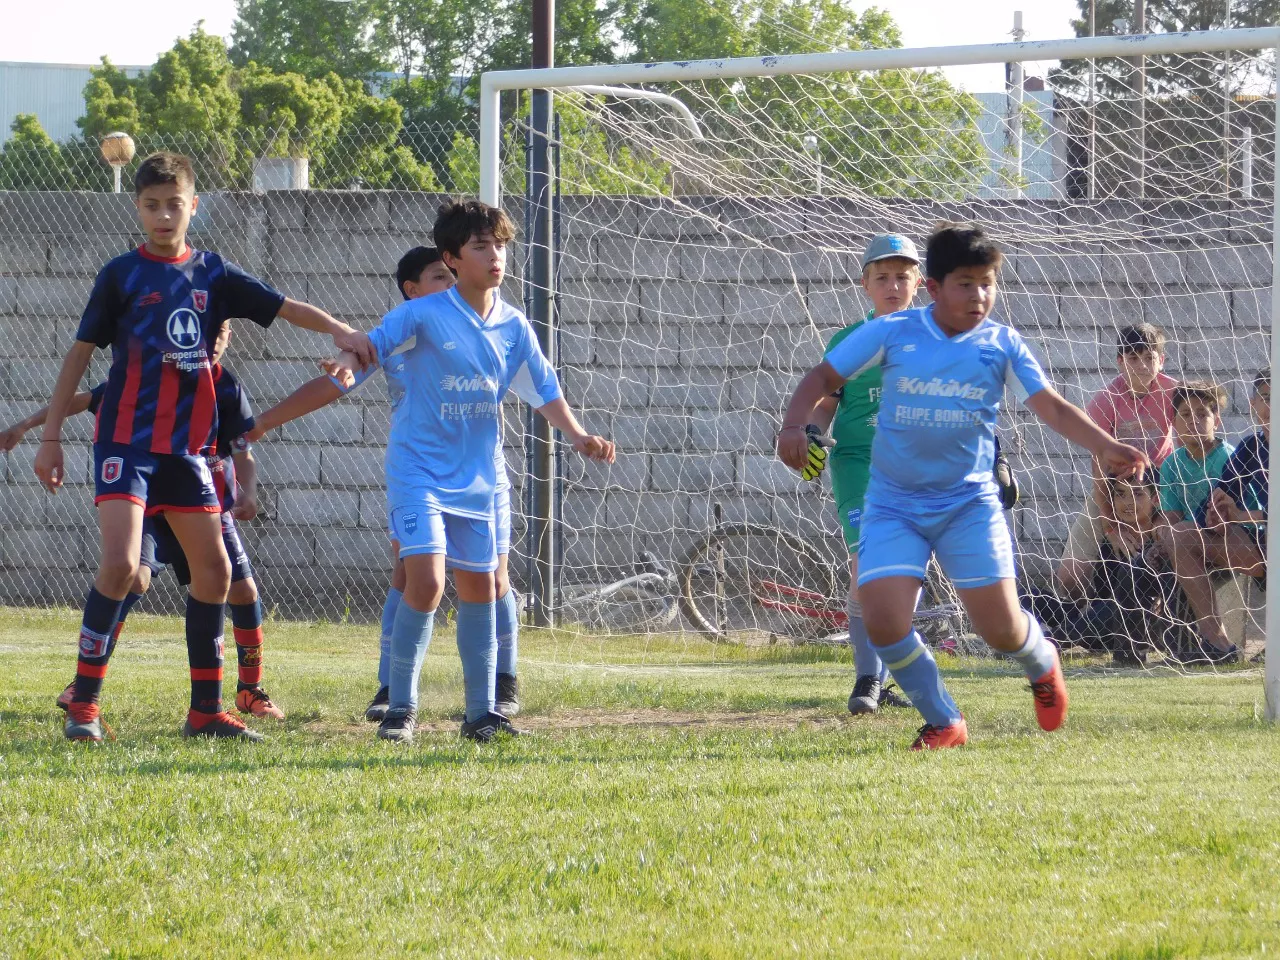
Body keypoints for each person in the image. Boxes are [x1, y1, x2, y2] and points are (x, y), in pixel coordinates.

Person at [34, 150, 373, 742]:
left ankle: (206, 711)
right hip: (126, 445)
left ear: (193, 206)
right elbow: (80, 357)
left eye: (174, 204)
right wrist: (51, 436)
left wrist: (342, 332)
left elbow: (284, 305)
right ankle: (83, 706)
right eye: (151, 206)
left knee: (214, 573)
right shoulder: (120, 275)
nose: (163, 216)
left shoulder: (214, 273)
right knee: (121, 567)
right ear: (137, 209)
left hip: (187, 453)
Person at [778, 223, 1146, 750]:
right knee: (883, 621)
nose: (979, 296)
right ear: (933, 287)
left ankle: (1042, 661)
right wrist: (794, 427)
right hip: (893, 504)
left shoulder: (1001, 345)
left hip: (967, 505)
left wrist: (1103, 445)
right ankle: (944, 720)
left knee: (1000, 631)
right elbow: (820, 379)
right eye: (965, 284)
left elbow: (1051, 406)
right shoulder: (893, 332)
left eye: (988, 283)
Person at [327, 200, 615, 744]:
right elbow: (370, 349)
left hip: (479, 480)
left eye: (500, 244)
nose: (495, 255)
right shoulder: (422, 314)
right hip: (419, 474)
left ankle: (481, 714)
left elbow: (543, 388)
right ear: (452, 258)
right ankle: (399, 708)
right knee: (427, 582)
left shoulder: (512, 325)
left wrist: (578, 436)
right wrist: (344, 362)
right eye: (481, 246)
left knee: (483, 588)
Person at [245, 246, 524, 724]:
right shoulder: (407, 327)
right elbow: (347, 368)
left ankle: (500, 685)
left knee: (494, 579)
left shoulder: (488, 323)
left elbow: (532, 374)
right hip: (420, 475)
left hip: (483, 476)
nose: (450, 284)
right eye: (439, 276)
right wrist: (264, 421)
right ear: (411, 292)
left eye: (450, 274)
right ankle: (394, 688)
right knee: (412, 574)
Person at [3, 321, 285, 719]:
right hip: (151, 508)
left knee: (242, 591)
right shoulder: (147, 379)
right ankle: (83, 683)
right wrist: (27, 425)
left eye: (221, 332)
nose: (214, 340)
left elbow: (243, 448)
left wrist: (248, 491)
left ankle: (249, 690)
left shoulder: (226, 387)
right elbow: (81, 399)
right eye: (207, 331)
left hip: (206, 509)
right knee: (132, 576)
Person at [804, 234, 920, 715]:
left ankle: (888, 674)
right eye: (882, 277)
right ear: (865, 285)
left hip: (916, 472)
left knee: (904, 579)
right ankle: (867, 679)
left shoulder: (937, 340)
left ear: (919, 283)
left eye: (902, 276)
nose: (892, 285)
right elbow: (824, 401)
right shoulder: (848, 341)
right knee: (867, 569)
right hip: (857, 467)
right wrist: (811, 431)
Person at [1057, 324, 1177, 600]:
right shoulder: (1105, 401)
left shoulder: (1173, 393)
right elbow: (1098, 466)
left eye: (1150, 357)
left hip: (1161, 489)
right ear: (1120, 362)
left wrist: (1175, 502)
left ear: (1162, 360)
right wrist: (1111, 526)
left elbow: (1185, 444)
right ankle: (1086, 622)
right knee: (1070, 575)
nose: (1143, 365)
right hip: (1114, 489)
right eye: (1134, 358)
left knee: (1170, 554)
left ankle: (1166, 620)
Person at [1164, 371, 1270, 662]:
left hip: (1261, 537)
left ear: (1217, 420)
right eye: (1267, 399)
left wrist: (1241, 514)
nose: (1272, 407)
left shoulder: (1226, 451)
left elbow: (1247, 514)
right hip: (1252, 545)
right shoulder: (1250, 448)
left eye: (1202, 414)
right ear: (1253, 405)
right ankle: (1218, 647)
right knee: (1179, 536)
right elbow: (1224, 494)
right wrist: (1215, 515)